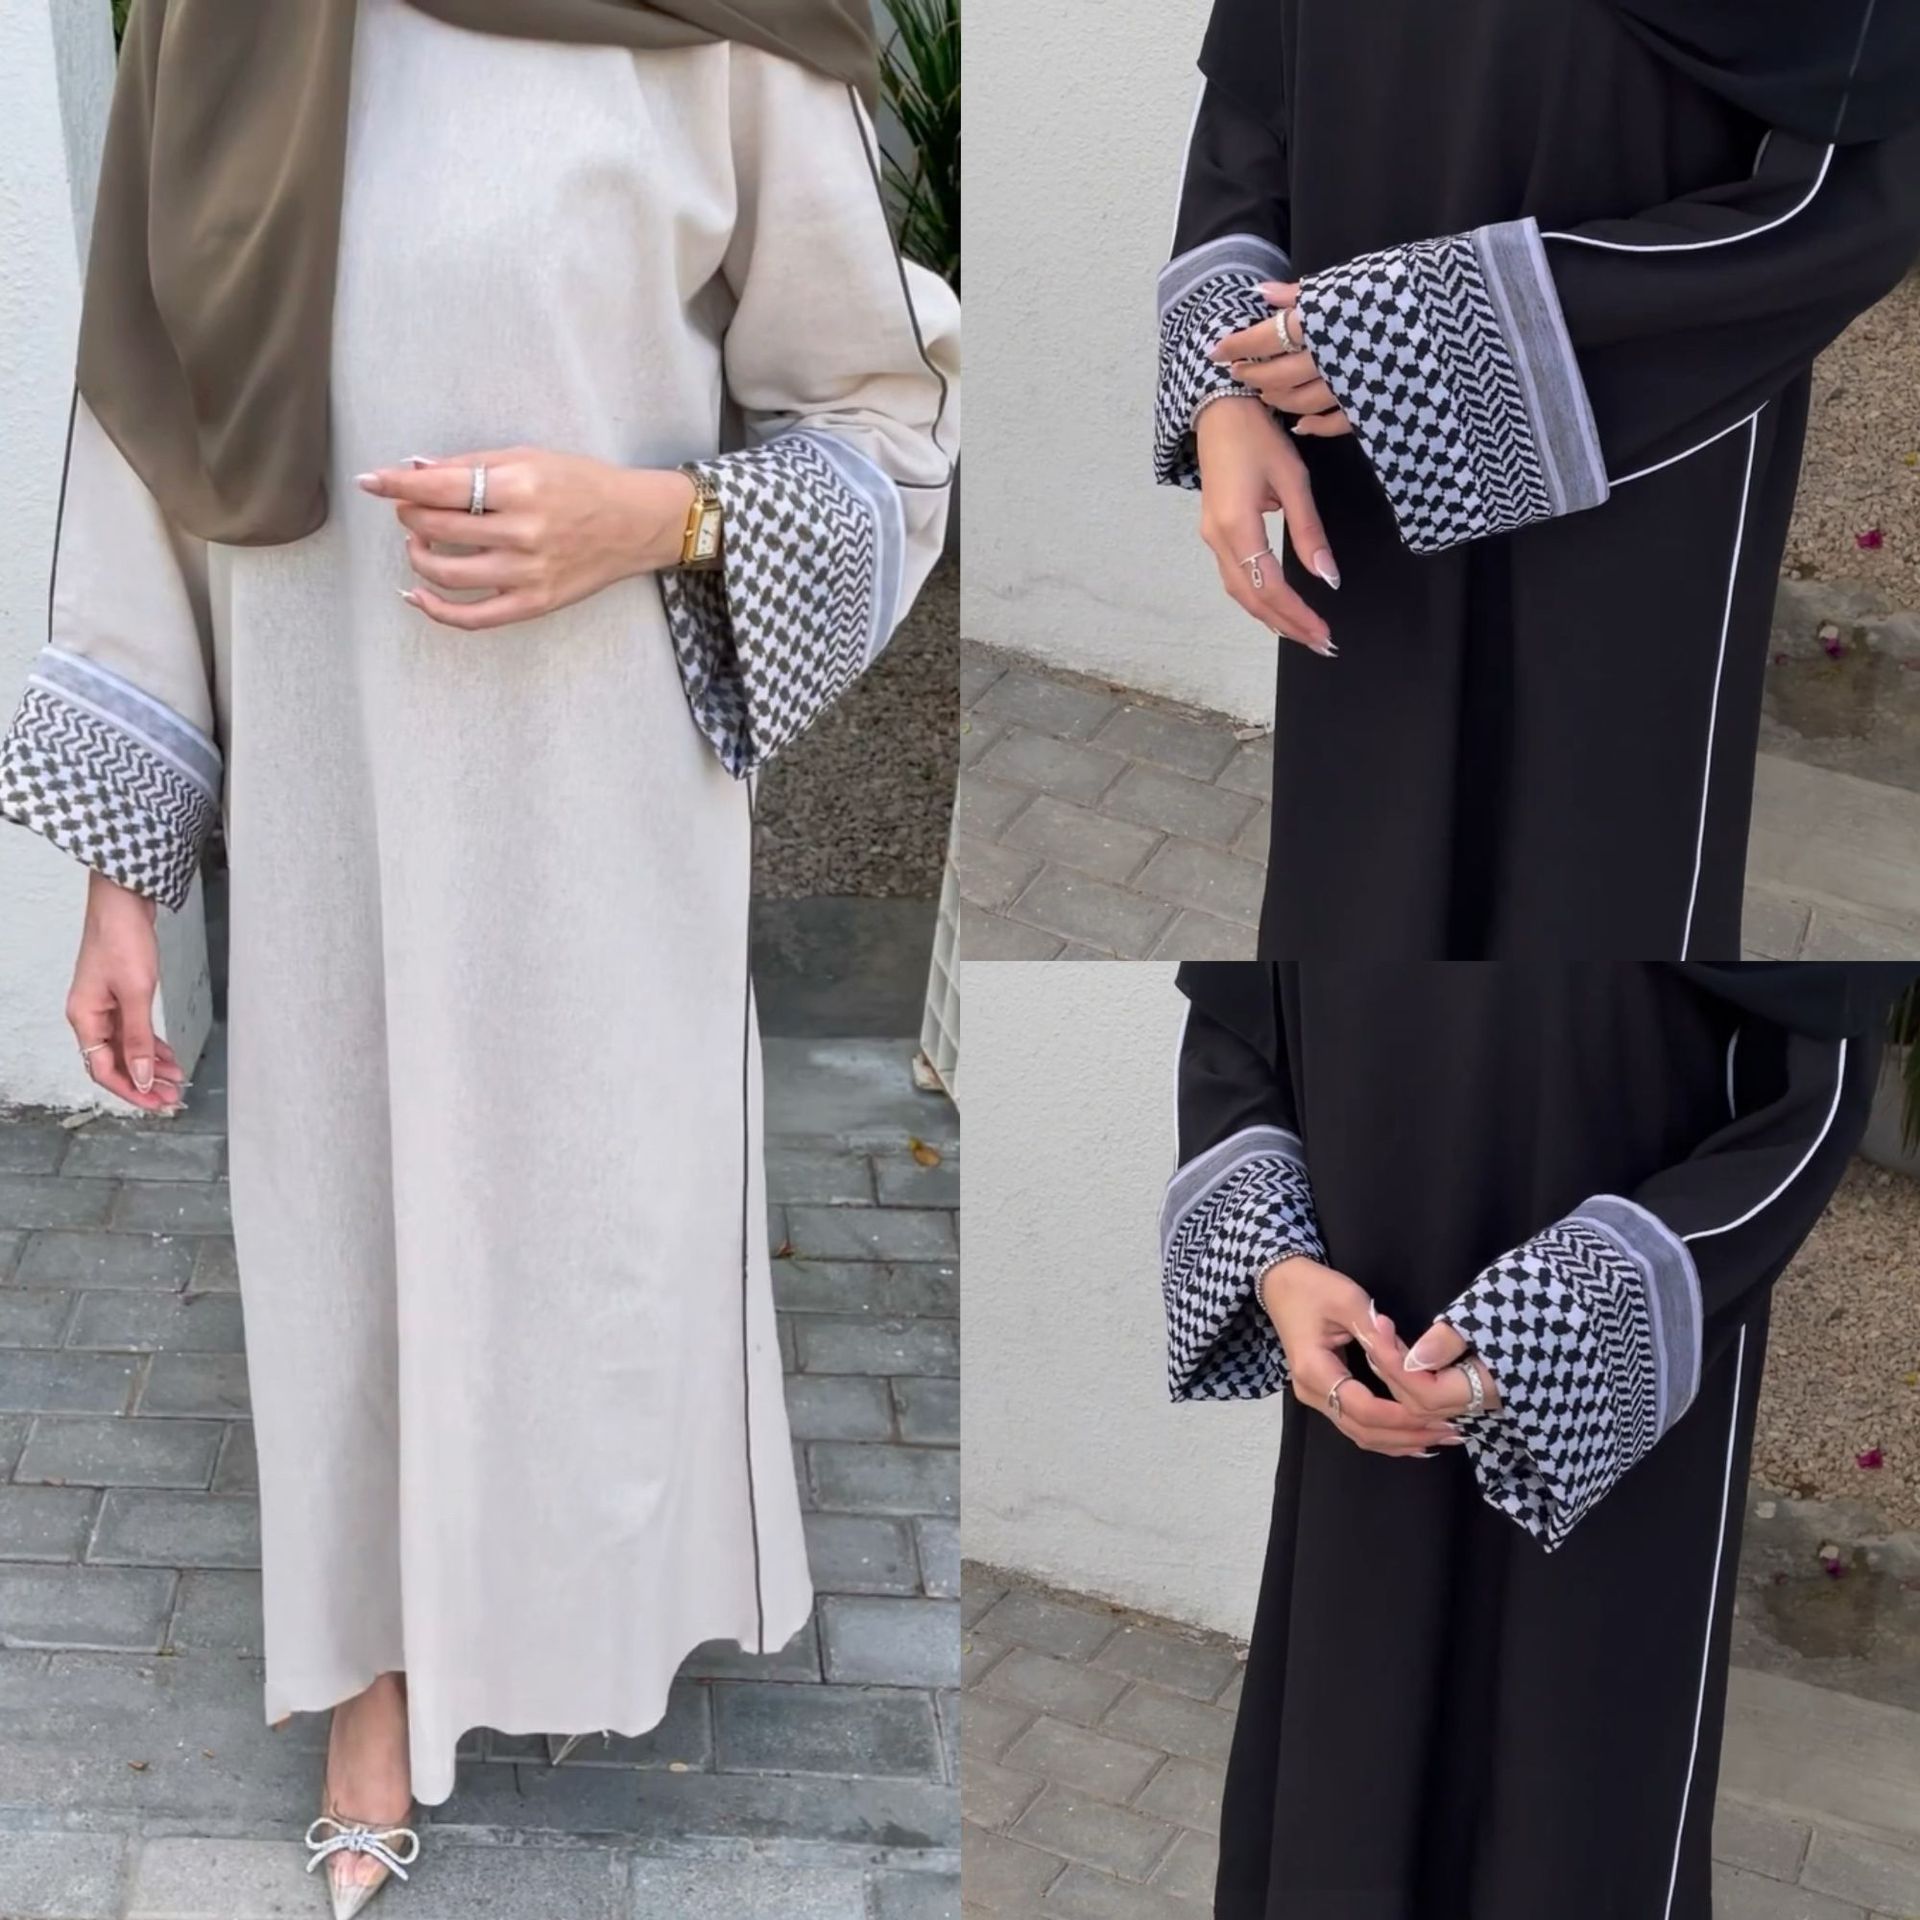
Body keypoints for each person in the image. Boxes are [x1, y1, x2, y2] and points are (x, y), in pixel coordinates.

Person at [0, 1, 957, 1913]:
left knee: (593, 1228)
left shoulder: (722, 28)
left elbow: (886, 411)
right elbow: (143, 444)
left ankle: (591, 1612)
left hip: (596, 783)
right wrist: (124, 878)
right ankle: (372, 1682)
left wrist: (653, 516)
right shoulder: (220, 28)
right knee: (342, 1225)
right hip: (325, 804)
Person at [1154, 0, 1920, 960]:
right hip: (1356, 474)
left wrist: (1429, 330)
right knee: (1356, 888)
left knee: (1589, 889)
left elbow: (1851, 196)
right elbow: (1249, 106)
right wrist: (1225, 381)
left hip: (1640, 484)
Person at [1161, 961, 1911, 1919]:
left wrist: (1550, 1328)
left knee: (1568, 1791)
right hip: (1365, 1379)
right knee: (1347, 1755)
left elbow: (1810, 1091)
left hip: (1619, 1430)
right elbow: (1237, 1023)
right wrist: (1277, 1264)